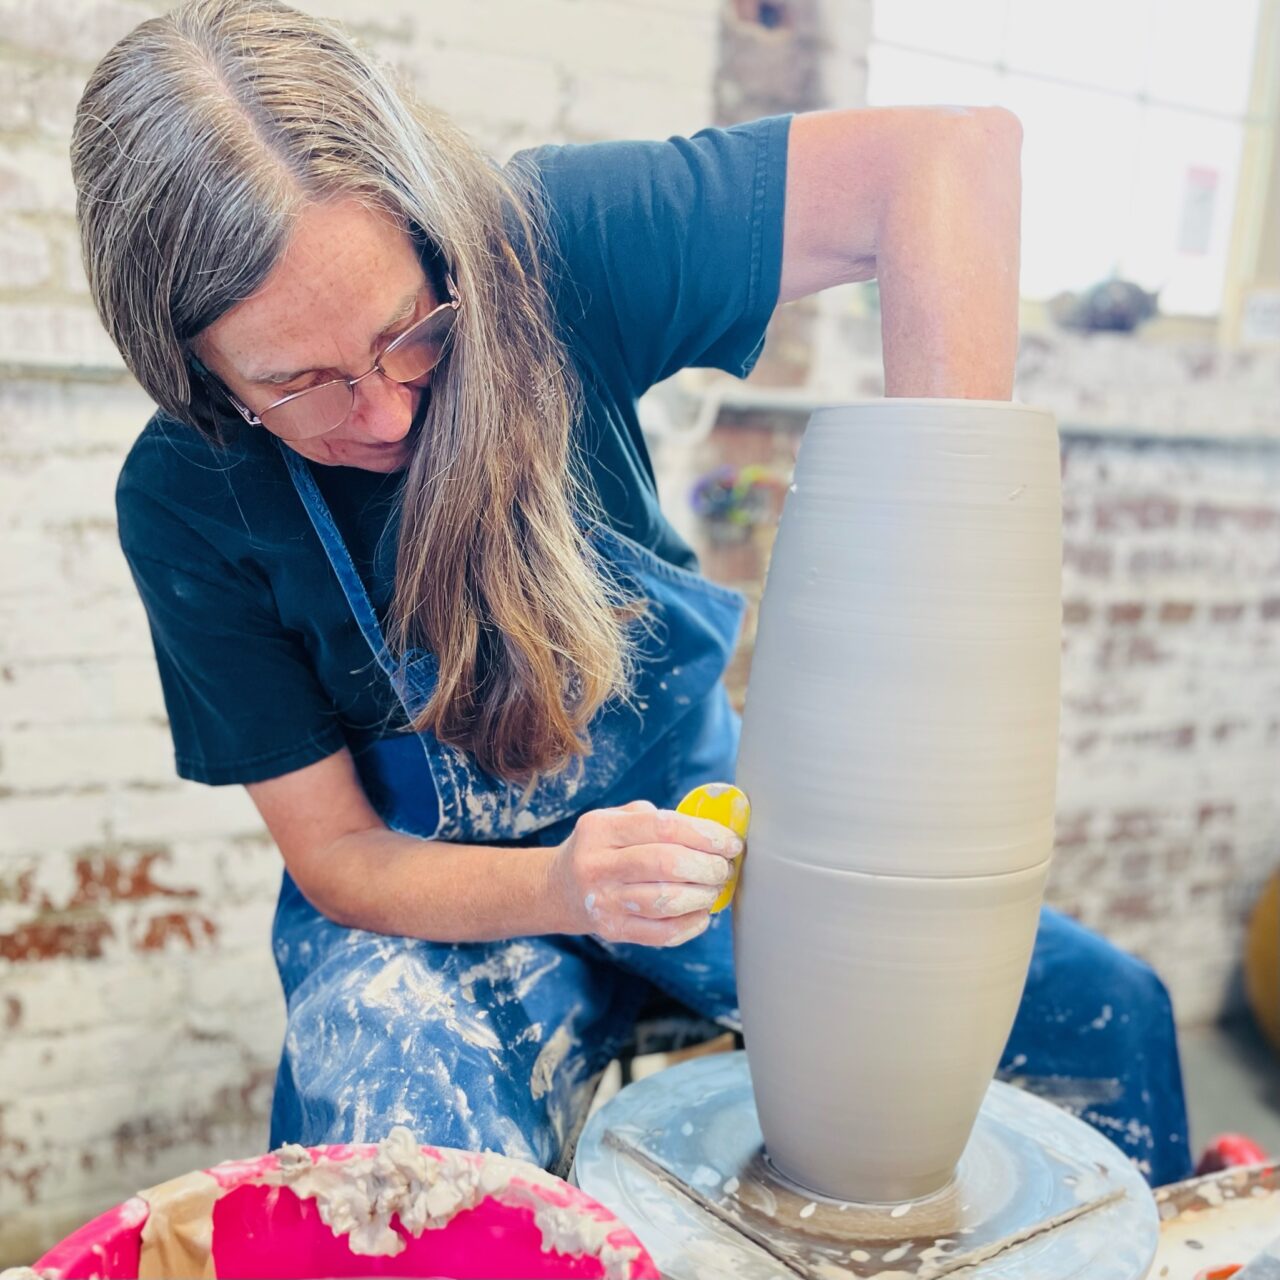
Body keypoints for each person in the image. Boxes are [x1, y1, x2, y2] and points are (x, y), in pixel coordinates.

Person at [71, 0, 1191, 1184]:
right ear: (186, 363)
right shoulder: (188, 496)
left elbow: (946, 156)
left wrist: (944, 572)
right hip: (442, 902)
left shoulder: (544, 246)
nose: (387, 411)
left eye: (408, 334)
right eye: (297, 382)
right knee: (401, 1152)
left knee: (1100, 1011)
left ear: (429, 235)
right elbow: (340, 855)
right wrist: (560, 884)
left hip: (690, 837)